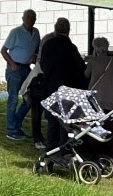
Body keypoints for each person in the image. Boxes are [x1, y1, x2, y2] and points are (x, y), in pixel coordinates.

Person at [37, 17, 86, 150]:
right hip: (66, 88)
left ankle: (51, 145)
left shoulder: (48, 44)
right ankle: (64, 147)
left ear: (55, 28)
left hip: (51, 86)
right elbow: (80, 68)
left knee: (52, 118)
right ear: (69, 30)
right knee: (65, 120)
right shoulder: (70, 47)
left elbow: (42, 64)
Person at [0, 8, 40, 140]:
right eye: (28, 18)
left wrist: (35, 56)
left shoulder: (36, 33)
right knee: (13, 99)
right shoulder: (15, 32)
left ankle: (16, 125)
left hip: (27, 68)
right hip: (15, 69)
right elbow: (4, 50)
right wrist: (12, 64)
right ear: (23, 19)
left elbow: (37, 49)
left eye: (32, 18)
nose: (30, 21)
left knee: (29, 99)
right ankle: (11, 130)